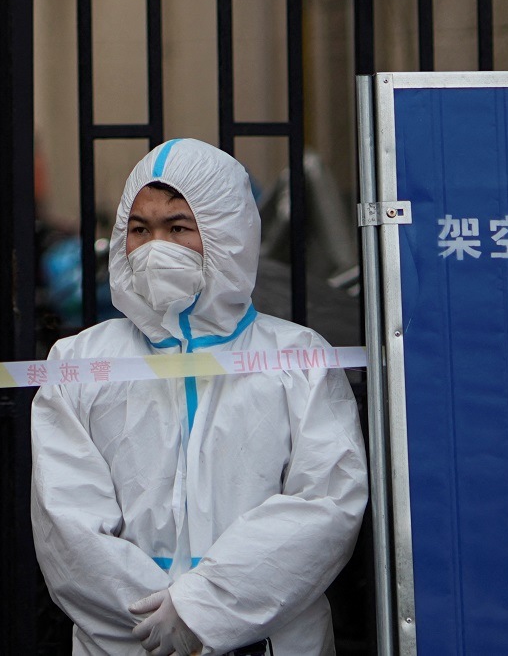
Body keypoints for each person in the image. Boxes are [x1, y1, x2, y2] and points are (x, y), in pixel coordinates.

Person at [30, 138, 367, 655]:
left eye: (178, 228)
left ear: (226, 233)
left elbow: (326, 504)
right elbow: (68, 525)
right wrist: (155, 619)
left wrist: (200, 610)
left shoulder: (298, 359)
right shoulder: (80, 363)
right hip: (125, 643)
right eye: (140, 229)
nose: (155, 246)